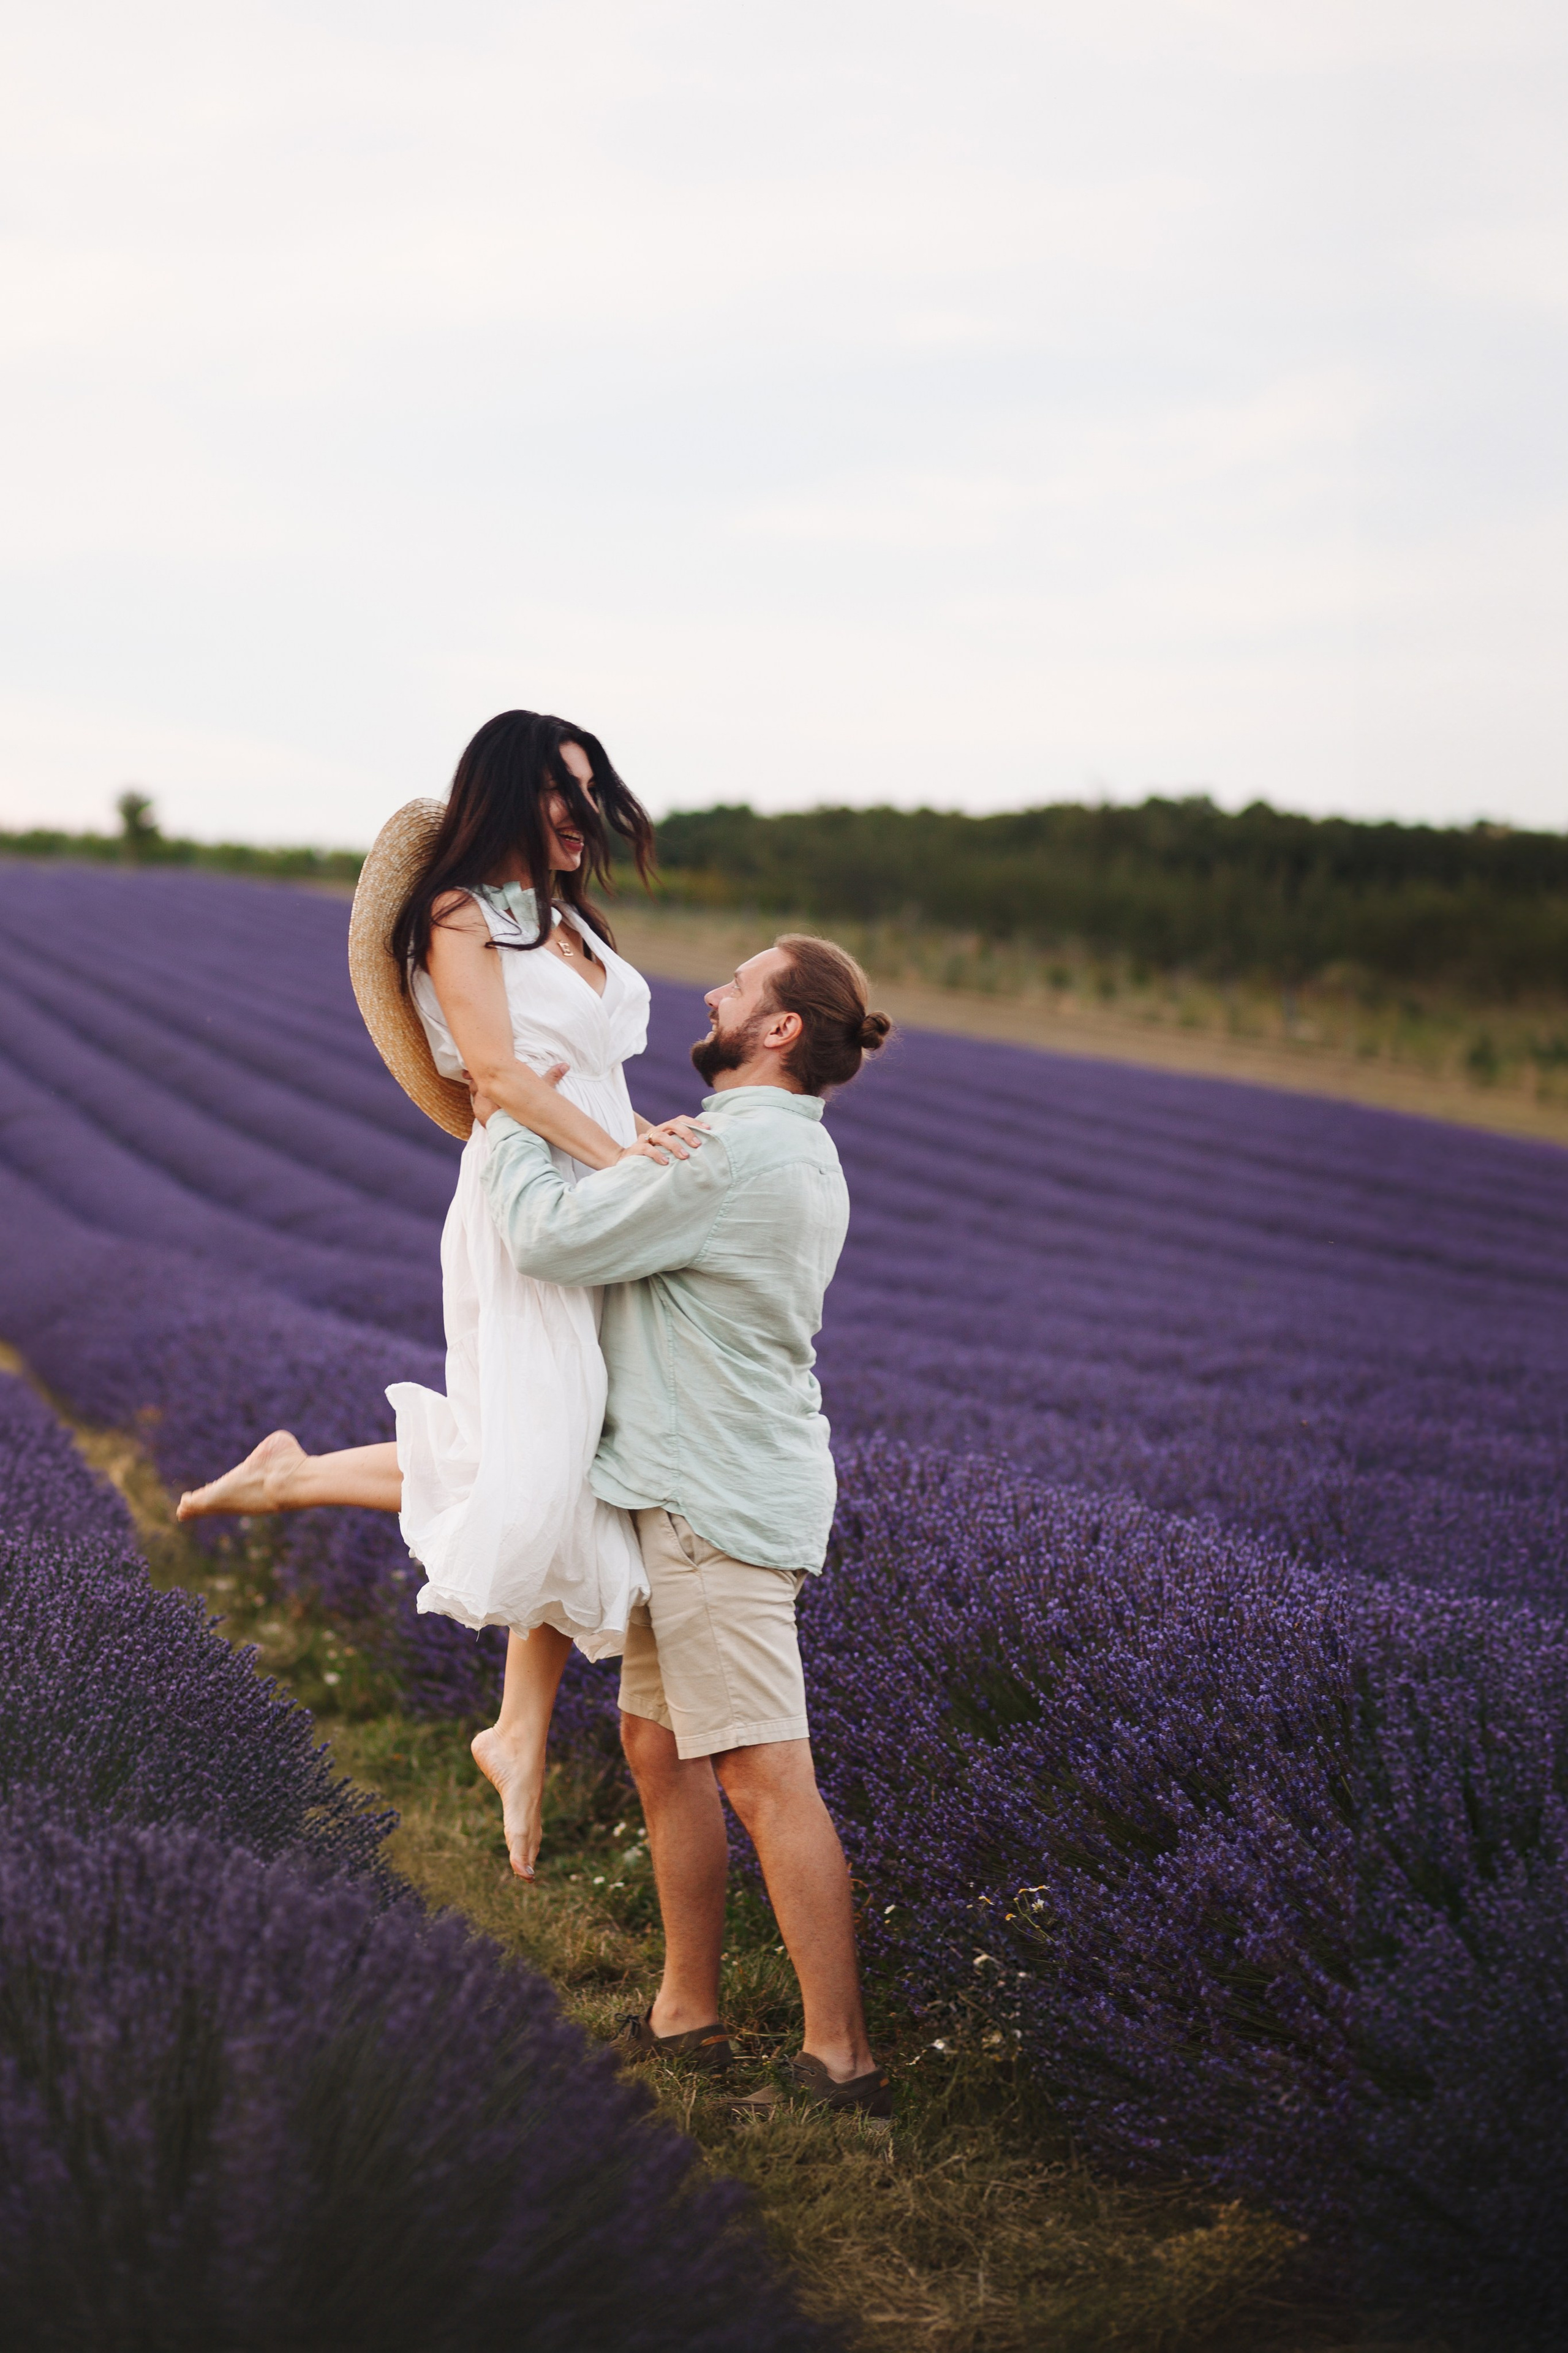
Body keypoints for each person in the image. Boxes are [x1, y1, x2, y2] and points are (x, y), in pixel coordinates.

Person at [176, 709, 707, 1879]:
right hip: (534, 1204)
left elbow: (589, 1062)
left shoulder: (564, 918)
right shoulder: (460, 916)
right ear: (510, 794)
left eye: (593, 793)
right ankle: (504, 1718)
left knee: (568, 1447)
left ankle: (505, 1715)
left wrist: (634, 1154)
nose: (583, 816)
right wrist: (619, 1160)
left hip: (608, 1192)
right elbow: (502, 1072)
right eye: (564, 793)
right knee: (552, 1450)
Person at [472, 932, 895, 2120]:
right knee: (660, 1753)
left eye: (740, 983)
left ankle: (838, 2064)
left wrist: (513, 1117)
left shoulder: (726, 1152)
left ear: (778, 1031)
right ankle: (685, 2013)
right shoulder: (790, 1150)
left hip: (713, 1504)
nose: (710, 992)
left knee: (765, 1776)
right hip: (694, 1487)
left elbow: (548, 1238)